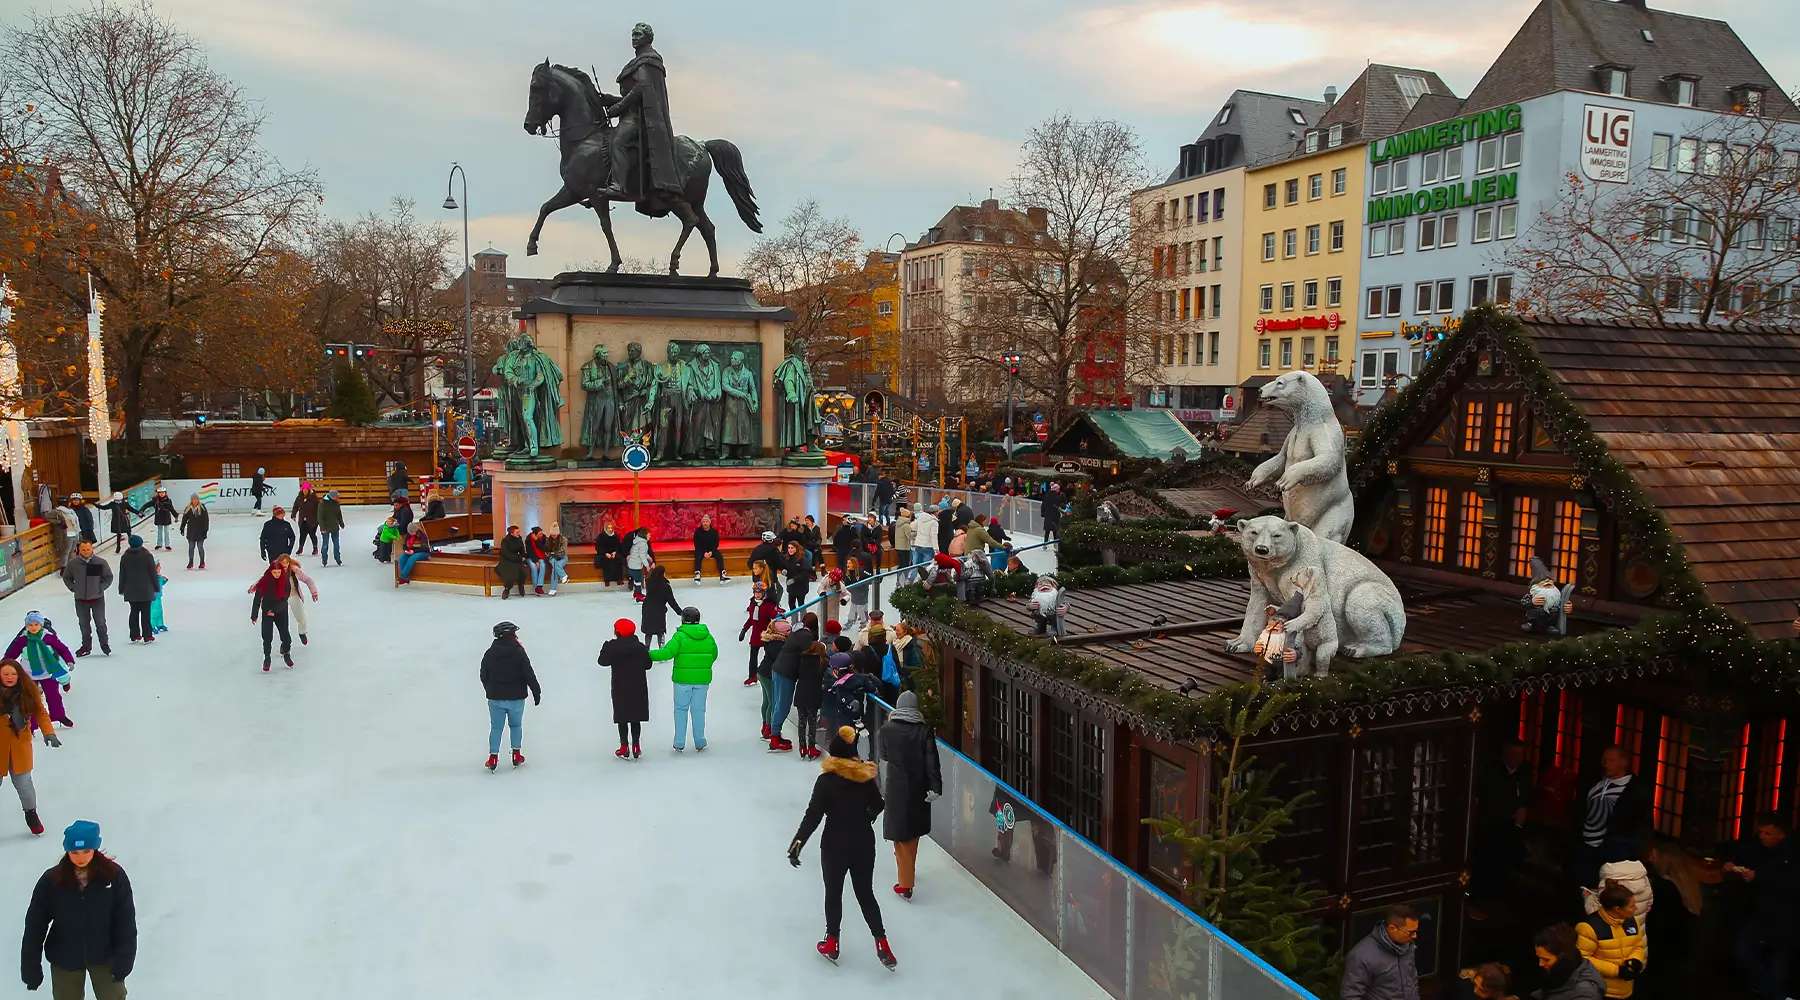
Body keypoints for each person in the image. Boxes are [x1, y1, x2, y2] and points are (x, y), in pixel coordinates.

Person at [787, 724, 897, 970]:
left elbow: (813, 815)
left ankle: (832, 942)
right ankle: (882, 943)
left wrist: (797, 844)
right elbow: (879, 804)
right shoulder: (865, 779)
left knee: (833, 893)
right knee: (865, 894)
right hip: (863, 844)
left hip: (835, 844)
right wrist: (868, 813)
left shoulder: (826, 781)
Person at [21, 820, 136, 997]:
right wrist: (31, 966)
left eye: (86, 851)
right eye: (74, 852)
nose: (81, 857)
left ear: (95, 849)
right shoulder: (52, 880)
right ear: (67, 851)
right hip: (65, 956)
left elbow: (125, 921)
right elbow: (35, 925)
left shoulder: (113, 877)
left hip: (105, 956)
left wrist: (124, 959)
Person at [1722, 812, 1797, 1000]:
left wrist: (1759, 876)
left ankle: (1775, 992)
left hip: (1787, 916)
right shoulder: (1758, 847)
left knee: (1780, 960)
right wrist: (1734, 864)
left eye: (1768, 833)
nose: (1762, 837)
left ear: (1781, 834)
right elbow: (1745, 854)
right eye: (1761, 832)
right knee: (1744, 950)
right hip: (1763, 913)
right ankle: (1770, 990)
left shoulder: (1793, 853)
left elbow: (1789, 881)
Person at [879, 691, 941, 901]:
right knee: (911, 833)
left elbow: (884, 755)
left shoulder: (887, 729)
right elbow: (932, 762)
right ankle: (908, 872)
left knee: (900, 836)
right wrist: (936, 787)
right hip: (919, 787)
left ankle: (905, 884)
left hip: (896, 787)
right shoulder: (924, 731)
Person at [1575, 746, 1652, 887]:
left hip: (1615, 850)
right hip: (1586, 847)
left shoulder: (1636, 790)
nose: (1605, 764)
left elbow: (1643, 823)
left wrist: (1639, 851)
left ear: (1624, 763)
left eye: (1611, 760)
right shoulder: (1595, 781)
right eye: (1604, 760)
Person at [648, 606, 717, 752]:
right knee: (699, 710)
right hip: (702, 680)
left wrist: (647, 654)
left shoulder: (680, 636)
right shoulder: (708, 636)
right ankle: (700, 740)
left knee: (680, 709)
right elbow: (714, 654)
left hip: (682, 681)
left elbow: (666, 653)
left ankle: (679, 742)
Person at [2, 660, 60, 836]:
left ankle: (31, 813)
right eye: (5, 674)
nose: (9, 677)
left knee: (24, 784)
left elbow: (41, 713)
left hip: (20, 746)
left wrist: (49, 732)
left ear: (19, 675)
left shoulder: (27, 692)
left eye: (13, 674)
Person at [1473, 738, 1534, 904]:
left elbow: (1524, 802)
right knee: (1486, 862)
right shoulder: (1491, 771)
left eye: (1519, 755)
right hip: (1488, 824)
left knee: (1507, 864)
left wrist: (1518, 827)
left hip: (1510, 826)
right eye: (1512, 754)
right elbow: (1478, 799)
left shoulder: (1525, 773)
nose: (1516, 759)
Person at [480, 620, 540, 771]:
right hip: (516, 698)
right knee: (516, 725)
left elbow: (483, 674)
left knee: (496, 728)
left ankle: (493, 757)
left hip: (495, 698)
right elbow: (528, 673)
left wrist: (490, 689)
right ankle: (516, 754)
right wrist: (536, 691)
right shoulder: (519, 652)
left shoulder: (490, 653)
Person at [1576, 883, 1646, 999]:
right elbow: (1582, 959)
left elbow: (1638, 945)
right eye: (1632, 906)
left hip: (1627, 989)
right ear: (1617, 909)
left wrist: (1636, 960)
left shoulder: (1631, 921)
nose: (1636, 909)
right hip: (1601, 992)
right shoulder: (1588, 927)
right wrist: (1617, 971)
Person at [7, 613, 76, 728]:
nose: (33, 627)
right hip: (29, 673)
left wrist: (69, 660)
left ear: (41, 625)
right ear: (26, 626)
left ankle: (58, 715)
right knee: (31, 699)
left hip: (48, 672)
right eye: (30, 625)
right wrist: (4, 664)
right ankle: (32, 724)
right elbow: (11, 654)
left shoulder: (48, 637)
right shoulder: (22, 640)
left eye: (36, 624)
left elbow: (62, 649)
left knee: (53, 696)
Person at [1340, 903, 1421, 1000]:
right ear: (1392, 928)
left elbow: (1412, 981)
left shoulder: (1408, 947)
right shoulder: (1361, 956)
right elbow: (1351, 996)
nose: (1415, 936)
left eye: (1416, 931)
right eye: (1411, 932)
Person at [598, 618, 651, 760]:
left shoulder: (613, 647)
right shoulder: (640, 647)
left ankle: (624, 746)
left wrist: (605, 646)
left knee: (622, 717)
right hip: (638, 687)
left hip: (620, 687)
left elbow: (602, 661)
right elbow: (648, 665)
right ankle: (636, 745)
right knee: (635, 717)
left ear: (617, 632)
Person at [768, 612, 816, 753]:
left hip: (778, 668)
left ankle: (774, 733)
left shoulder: (796, 632)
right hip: (786, 673)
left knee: (777, 703)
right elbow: (809, 654)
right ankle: (775, 737)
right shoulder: (806, 637)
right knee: (783, 705)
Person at [59, 541, 112, 658]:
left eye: (88, 549)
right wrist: (73, 588)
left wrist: (100, 588)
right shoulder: (73, 564)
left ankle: (104, 644)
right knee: (84, 624)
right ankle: (86, 646)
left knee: (100, 623)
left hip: (97, 599)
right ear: (79, 550)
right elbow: (67, 577)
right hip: (81, 600)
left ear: (92, 549)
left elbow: (108, 577)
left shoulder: (100, 562)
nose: (86, 552)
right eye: (83, 550)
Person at [1533, 923, 1606, 1000]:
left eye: (1546, 960)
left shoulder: (1585, 993)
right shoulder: (1562, 970)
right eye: (1539, 958)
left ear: (1564, 958)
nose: (1540, 964)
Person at [249, 560, 296, 671]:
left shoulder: (285, 581)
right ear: (270, 572)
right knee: (267, 636)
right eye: (274, 572)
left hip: (281, 611)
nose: (277, 575)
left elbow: (285, 599)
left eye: (278, 572)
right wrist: (254, 615)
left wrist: (274, 610)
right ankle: (267, 658)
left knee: (286, 636)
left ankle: (286, 653)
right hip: (267, 611)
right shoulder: (265, 581)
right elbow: (257, 598)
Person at [792, 631, 830, 759]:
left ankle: (802, 747)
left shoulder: (800, 659)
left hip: (801, 692)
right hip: (814, 693)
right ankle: (812, 747)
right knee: (812, 722)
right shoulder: (822, 662)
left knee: (801, 721)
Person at [115, 535, 158, 645]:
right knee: (145, 613)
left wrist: (121, 588)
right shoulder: (147, 556)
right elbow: (152, 573)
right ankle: (147, 635)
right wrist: (156, 586)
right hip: (146, 590)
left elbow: (122, 574)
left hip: (131, 590)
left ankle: (134, 635)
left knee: (134, 612)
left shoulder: (125, 556)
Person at [739, 583, 779, 687]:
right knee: (753, 656)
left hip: (766, 635)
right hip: (756, 635)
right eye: (755, 592)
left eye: (759, 593)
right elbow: (751, 619)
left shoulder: (768, 605)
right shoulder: (753, 604)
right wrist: (744, 629)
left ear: (764, 593)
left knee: (769, 656)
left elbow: (775, 618)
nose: (757, 595)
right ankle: (752, 676)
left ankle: (771, 674)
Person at [757, 617, 790, 743]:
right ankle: (769, 728)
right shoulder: (779, 645)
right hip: (769, 675)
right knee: (773, 702)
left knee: (767, 701)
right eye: (788, 632)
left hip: (762, 672)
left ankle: (765, 726)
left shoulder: (770, 641)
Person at [277, 555, 320, 645]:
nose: (284, 566)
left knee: (302, 618)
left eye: (286, 563)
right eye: (282, 564)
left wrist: (314, 592)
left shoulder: (294, 570)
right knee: (282, 623)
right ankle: (285, 643)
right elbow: (264, 581)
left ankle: (302, 632)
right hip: (281, 599)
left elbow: (308, 580)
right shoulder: (276, 571)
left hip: (293, 595)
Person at [640, 564, 683, 648]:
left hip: (647, 609)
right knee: (660, 631)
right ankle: (661, 648)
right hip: (659, 610)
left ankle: (647, 648)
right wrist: (680, 612)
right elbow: (671, 601)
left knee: (648, 631)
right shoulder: (665, 586)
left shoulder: (649, 582)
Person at [692, 513, 728, 583]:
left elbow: (716, 544)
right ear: (701, 523)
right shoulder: (697, 532)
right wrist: (704, 553)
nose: (705, 523)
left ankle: (722, 574)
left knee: (719, 555)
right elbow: (696, 544)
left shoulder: (714, 532)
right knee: (698, 555)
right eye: (704, 522)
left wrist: (711, 552)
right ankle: (697, 574)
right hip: (701, 550)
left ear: (710, 522)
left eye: (707, 522)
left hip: (711, 550)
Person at [495, 525, 528, 600]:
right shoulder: (505, 540)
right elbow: (506, 554)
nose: (519, 533)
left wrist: (525, 556)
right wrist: (519, 558)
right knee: (510, 575)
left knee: (523, 571)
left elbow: (522, 550)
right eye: (517, 532)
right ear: (511, 533)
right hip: (506, 560)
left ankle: (521, 585)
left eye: (519, 531)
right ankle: (507, 589)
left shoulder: (519, 538)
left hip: (516, 559)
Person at [179, 493, 210, 570]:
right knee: (191, 547)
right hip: (191, 532)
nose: (194, 501)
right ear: (191, 500)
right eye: (193, 499)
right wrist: (182, 528)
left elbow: (206, 520)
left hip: (200, 532)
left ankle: (202, 562)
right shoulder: (188, 508)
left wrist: (205, 530)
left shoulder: (202, 508)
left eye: (196, 499)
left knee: (200, 547)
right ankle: (191, 562)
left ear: (198, 500)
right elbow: (184, 519)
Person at [594, 518, 626, 588]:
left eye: (611, 528)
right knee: (606, 561)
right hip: (604, 554)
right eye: (608, 528)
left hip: (614, 553)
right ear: (606, 528)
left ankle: (619, 579)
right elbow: (598, 547)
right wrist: (605, 553)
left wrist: (615, 552)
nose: (610, 529)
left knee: (618, 560)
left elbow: (618, 546)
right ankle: (607, 580)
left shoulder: (616, 536)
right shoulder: (601, 536)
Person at [316, 489, 345, 566]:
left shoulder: (336, 503)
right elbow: (320, 517)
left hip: (335, 527)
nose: (338, 498)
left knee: (336, 545)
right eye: (336, 496)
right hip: (325, 528)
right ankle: (324, 560)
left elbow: (339, 514)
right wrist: (322, 528)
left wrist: (341, 523)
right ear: (332, 497)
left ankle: (338, 559)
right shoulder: (322, 504)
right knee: (325, 545)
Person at [782, 540, 812, 611]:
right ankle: (794, 619)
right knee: (791, 604)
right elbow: (789, 570)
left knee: (801, 604)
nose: (790, 550)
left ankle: (803, 619)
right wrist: (785, 572)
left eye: (792, 548)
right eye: (789, 548)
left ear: (796, 548)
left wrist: (794, 579)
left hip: (801, 587)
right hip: (791, 587)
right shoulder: (787, 558)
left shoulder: (802, 559)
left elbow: (805, 573)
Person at [292, 482, 321, 555]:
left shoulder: (314, 498)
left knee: (312, 534)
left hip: (312, 519)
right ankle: (300, 548)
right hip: (302, 520)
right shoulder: (299, 497)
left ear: (308, 490)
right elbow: (295, 506)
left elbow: (319, 508)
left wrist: (320, 519)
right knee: (302, 535)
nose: (304, 491)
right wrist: (293, 514)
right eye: (303, 489)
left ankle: (315, 548)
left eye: (306, 489)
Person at [843, 557, 871, 631]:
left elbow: (870, 578)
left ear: (854, 564)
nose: (847, 564)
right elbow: (847, 585)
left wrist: (862, 587)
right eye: (847, 563)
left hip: (863, 593)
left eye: (849, 563)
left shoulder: (861, 571)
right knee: (853, 607)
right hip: (855, 594)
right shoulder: (847, 574)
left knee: (860, 608)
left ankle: (864, 623)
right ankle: (850, 621)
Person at [145, 485, 177, 551]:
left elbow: (171, 509)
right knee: (159, 531)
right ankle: (159, 544)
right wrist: (142, 510)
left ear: (165, 493)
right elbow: (147, 505)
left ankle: (167, 545)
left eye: (163, 492)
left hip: (166, 517)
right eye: (160, 493)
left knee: (166, 531)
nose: (161, 494)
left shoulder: (168, 500)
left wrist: (175, 516)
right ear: (158, 493)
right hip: (159, 517)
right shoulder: (155, 500)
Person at [626, 527, 652, 600]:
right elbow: (642, 556)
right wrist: (647, 566)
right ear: (644, 535)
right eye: (649, 534)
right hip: (636, 565)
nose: (650, 536)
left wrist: (649, 557)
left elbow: (642, 553)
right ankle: (638, 595)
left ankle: (636, 593)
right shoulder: (643, 544)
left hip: (632, 564)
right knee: (638, 580)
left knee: (636, 580)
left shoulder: (638, 542)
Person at [543, 526, 568, 596]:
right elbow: (546, 550)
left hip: (562, 557)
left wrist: (554, 553)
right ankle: (563, 575)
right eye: (552, 535)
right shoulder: (548, 540)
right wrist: (550, 553)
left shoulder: (563, 539)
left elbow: (563, 551)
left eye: (555, 535)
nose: (553, 536)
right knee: (554, 563)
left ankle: (553, 589)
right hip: (552, 557)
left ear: (558, 533)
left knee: (555, 567)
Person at [525, 525, 550, 596]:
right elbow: (529, 552)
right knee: (534, 567)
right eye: (540, 534)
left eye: (542, 533)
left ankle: (539, 586)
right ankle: (535, 588)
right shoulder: (528, 539)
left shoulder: (544, 538)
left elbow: (544, 548)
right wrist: (536, 561)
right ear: (534, 534)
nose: (541, 535)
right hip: (531, 557)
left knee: (543, 565)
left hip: (541, 556)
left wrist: (537, 541)